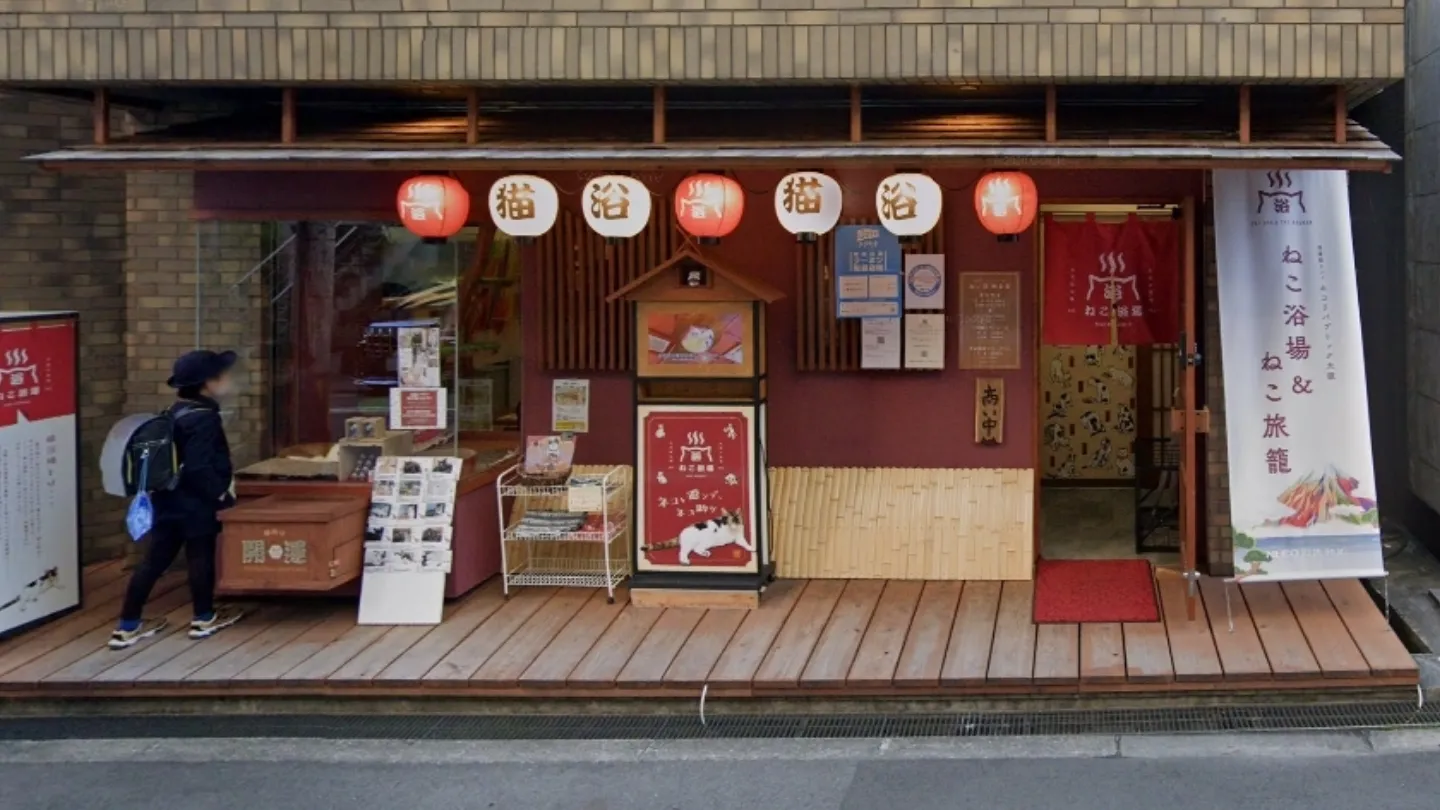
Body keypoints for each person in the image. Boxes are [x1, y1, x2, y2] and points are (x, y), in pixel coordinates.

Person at [108, 350, 245, 650]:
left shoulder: (173, 412)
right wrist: (219, 492)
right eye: (222, 375)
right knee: (200, 556)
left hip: (166, 499)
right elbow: (199, 466)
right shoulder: (204, 419)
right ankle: (203, 618)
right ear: (207, 384)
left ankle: (127, 626)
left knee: (154, 561)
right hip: (196, 502)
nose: (228, 380)